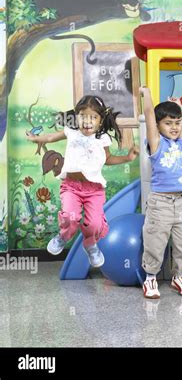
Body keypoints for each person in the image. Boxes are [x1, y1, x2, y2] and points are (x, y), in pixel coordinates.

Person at [26, 95, 139, 267]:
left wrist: (127, 158)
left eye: (93, 117)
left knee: (94, 224)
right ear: (76, 117)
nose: (88, 121)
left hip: (94, 190)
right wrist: (37, 139)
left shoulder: (103, 139)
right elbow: (50, 138)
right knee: (71, 218)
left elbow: (107, 159)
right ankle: (63, 236)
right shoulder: (71, 132)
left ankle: (90, 244)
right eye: (83, 116)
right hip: (71, 187)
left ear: (100, 121)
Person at [140, 86, 182, 299]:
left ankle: (179, 276)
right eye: (168, 123)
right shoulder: (156, 144)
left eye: (176, 122)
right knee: (155, 240)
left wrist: (180, 107)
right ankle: (151, 277)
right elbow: (148, 117)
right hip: (160, 202)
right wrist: (147, 94)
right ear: (158, 125)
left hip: (180, 201)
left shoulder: (179, 143)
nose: (174, 127)